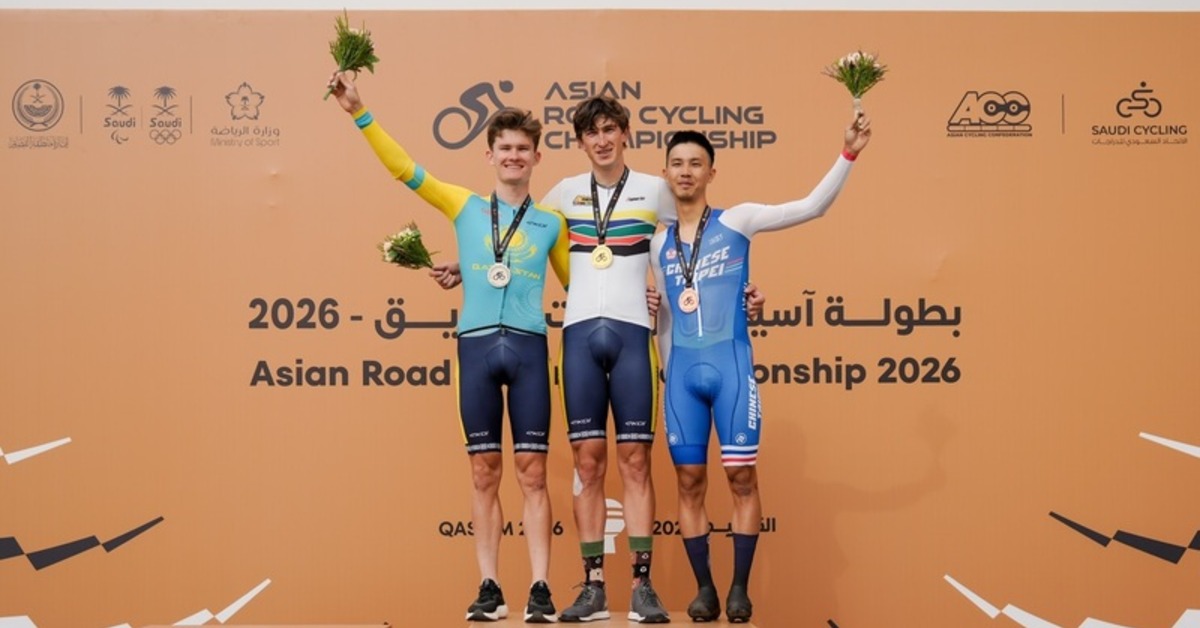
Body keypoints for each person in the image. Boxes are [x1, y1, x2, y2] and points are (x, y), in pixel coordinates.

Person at [432, 96, 766, 624]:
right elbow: (519, 227)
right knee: (587, 465)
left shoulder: (657, 189)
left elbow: (697, 237)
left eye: (611, 130)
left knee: (635, 462)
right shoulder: (564, 192)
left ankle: (642, 585)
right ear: (581, 141)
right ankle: (592, 588)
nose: (603, 140)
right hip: (579, 337)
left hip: (634, 336)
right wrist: (466, 263)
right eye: (593, 133)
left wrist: (736, 291)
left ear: (626, 134)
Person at [327, 71, 570, 624]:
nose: (514, 157)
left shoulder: (552, 224)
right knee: (484, 471)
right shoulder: (462, 205)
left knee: (532, 472)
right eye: (505, 149)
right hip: (476, 349)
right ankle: (489, 586)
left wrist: (640, 300)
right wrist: (359, 112)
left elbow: (580, 287)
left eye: (523, 149)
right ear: (490, 156)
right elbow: (405, 170)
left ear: (537, 158)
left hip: (531, 350)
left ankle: (540, 588)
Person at [650, 115, 872, 623]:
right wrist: (664, 368)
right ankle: (704, 590)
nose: (686, 172)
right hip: (680, 375)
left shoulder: (739, 220)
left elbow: (811, 207)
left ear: (711, 173)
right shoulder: (657, 243)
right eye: (677, 164)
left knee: (742, 477)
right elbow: (663, 315)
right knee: (688, 481)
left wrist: (849, 152)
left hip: (730, 366)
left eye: (696, 164)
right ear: (665, 174)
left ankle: (738, 590)